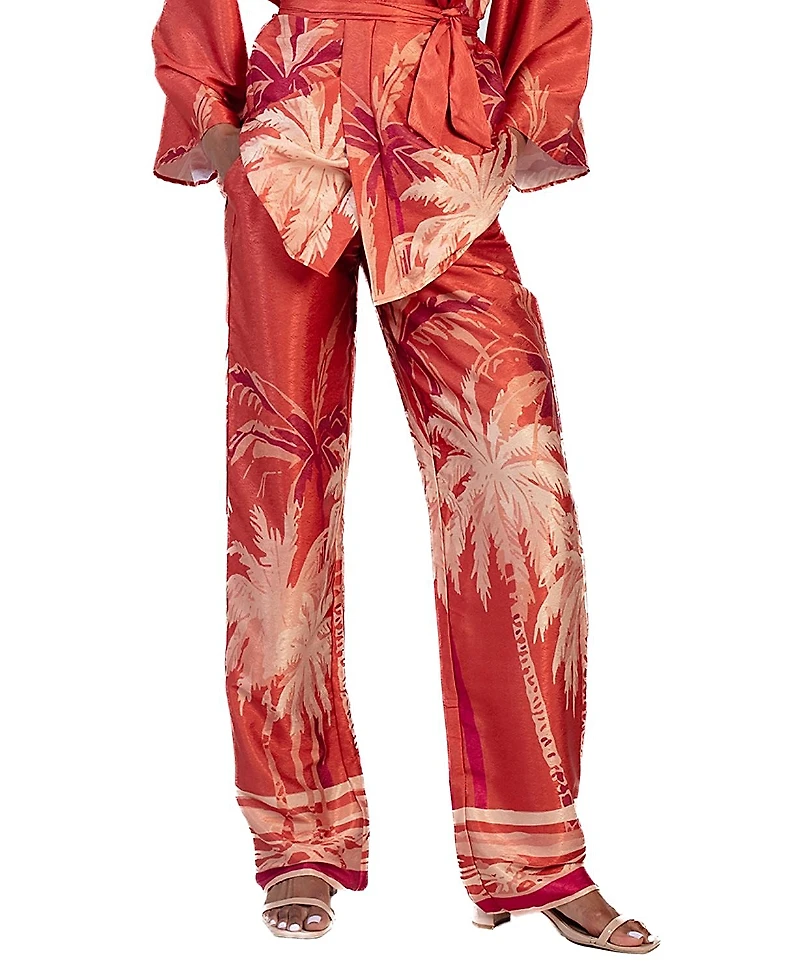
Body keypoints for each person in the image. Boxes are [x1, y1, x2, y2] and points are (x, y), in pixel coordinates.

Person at [152, 0, 660, 952]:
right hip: (292, 131)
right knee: (280, 486)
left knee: (518, 485)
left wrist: (527, 112)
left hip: (441, 137)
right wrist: (210, 109)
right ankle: (297, 837)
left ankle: (532, 852)